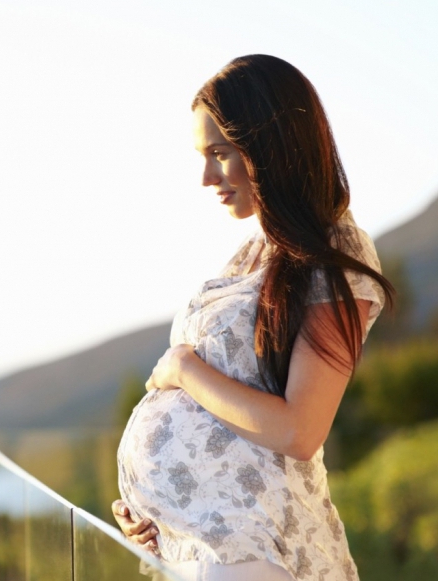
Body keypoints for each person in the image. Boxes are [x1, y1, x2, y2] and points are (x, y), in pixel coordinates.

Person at [111, 55, 393, 581]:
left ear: (271, 148)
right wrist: (153, 505)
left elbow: (299, 430)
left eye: (220, 153)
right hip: (202, 546)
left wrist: (181, 369)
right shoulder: (254, 254)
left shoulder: (334, 250)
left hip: (254, 550)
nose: (205, 177)